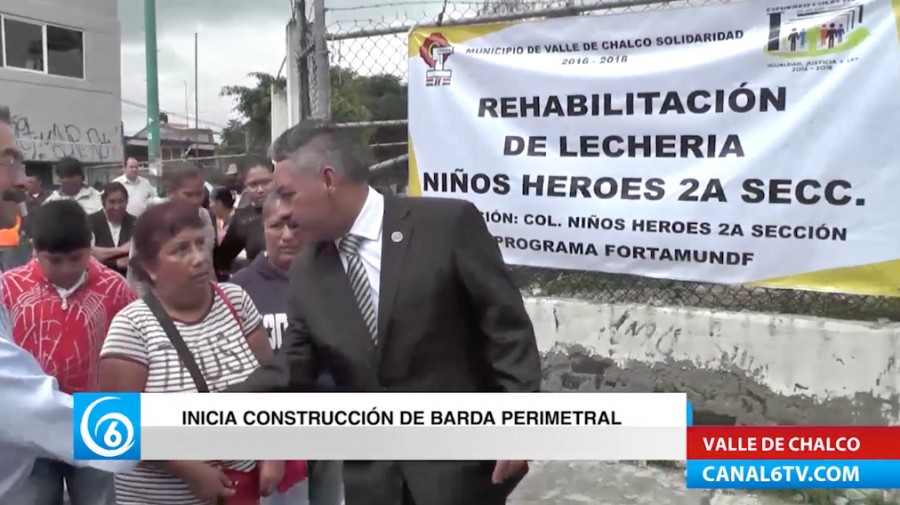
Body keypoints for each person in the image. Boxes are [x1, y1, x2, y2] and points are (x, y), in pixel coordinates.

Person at [230, 120, 542, 505]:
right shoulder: (309, 268)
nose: (285, 212)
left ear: (328, 179)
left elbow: (507, 330)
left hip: (459, 470)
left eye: (289, 194)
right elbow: (295, 365)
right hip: (374, 481)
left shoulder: (446, 226)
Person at [97, 199, 291, 505]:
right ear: (149, 267)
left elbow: (272, 384)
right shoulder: (132, 327)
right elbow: (107, 429)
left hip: (241, 492)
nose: (199, 258)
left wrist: (274, 447)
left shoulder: (236, 301)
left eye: (201, 244)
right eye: (180, 250)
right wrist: (187, 468)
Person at [0, 105, 135, 501]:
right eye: (10, 161)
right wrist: (188, 429)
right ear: (35, 251)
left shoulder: (113, 289)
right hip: (42, 442)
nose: (24, 180)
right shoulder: (10, 287)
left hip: (92, 424)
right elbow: (28, 408)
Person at [231, 193, 343, 505]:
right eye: (277, 225)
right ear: (263, 229)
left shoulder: (335, 281)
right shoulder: (240, 288)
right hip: (273, 429)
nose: (288, 235)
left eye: (296, 226)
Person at [125, 163, 217, 295]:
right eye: (189, 195)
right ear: (171, 193)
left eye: (199, 194)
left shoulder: (205, 217)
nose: (196, 201)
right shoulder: (153, 220)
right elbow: (137, 275)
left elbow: (208, 263)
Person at [213, 158, 273, 276]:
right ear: (245, 186)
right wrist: (251, 268)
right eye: (253, 185)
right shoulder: (242, 218)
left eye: (266, 182)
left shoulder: (294, 208)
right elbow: (221, 260)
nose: (260, 190)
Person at [90, 182, 136, 277]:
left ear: (127, 202)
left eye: (121, 201)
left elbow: (137, 258)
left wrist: (103, 255)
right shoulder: (90, 222)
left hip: (127, 281)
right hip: (98, 279)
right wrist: (122, 250)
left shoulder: (135, 222)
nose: (117, 206)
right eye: (112, 202)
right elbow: (88, 255)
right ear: (104, 202)